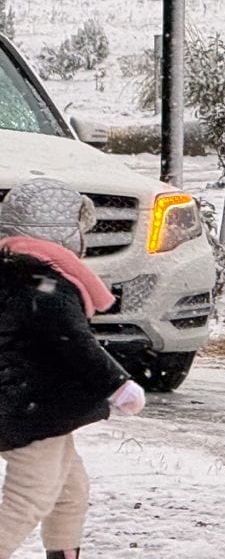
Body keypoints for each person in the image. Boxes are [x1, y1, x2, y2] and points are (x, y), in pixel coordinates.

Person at [0, 178, 147, 559]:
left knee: (69, 489)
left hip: (30, 406)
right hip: (30, 409)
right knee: (29, 497)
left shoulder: (16, 273)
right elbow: (75, 344)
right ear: (60, 232)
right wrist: (118, 386)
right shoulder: (42, 283)